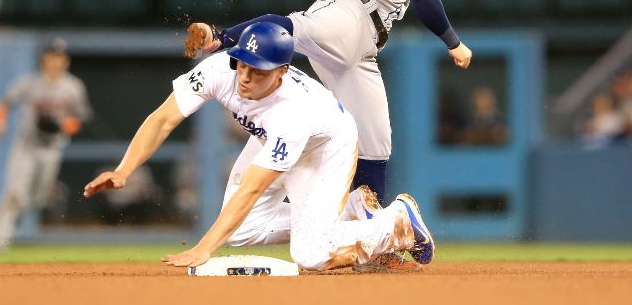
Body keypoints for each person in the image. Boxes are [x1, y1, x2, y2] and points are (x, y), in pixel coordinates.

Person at [184, 0, 472, 205]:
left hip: (359, 46)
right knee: (292, 27)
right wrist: (453, 42)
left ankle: (367, 227)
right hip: (349, 17)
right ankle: (220, 38)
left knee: (375, 146)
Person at [84, 22, 434, 271]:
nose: (246, 76)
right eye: (242, 63)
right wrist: (124, 170)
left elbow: (252, 188)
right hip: (272, 137)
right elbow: (163, 118)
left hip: (325, 146)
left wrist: (205, 248)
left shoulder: (292, 112)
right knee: (239, 231)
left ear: (282, 71)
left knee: (310, 254)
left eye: (259, 70)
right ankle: (351, 211)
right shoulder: (219, 70)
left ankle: (396, 222)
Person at [0, 38, 93, 249]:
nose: (55, 61)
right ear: (43, 59)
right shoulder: (29, 83)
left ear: (66, 61)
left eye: (59, 57)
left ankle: (6, 219)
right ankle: (0, 236)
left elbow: (79, 118)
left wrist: (65, 126)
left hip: (52, 148)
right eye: (51, 56)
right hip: (27, 146)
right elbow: (4, 103)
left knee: (38, 199)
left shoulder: (73, 87)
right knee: (16, 192)